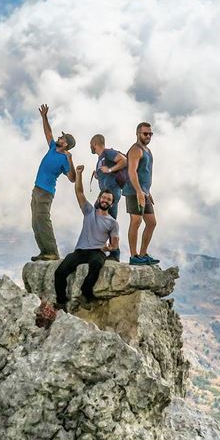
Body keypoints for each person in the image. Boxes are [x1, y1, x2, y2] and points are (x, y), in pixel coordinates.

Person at [54, 164, 120, 310]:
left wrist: (110, 248)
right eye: (103, 198)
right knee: (59, 273)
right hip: (81, 251)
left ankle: (86, 292)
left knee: (96, 264)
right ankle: (61, 301)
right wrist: (78, 174)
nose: (105, 201)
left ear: (112, 203)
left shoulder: (113, 223)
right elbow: (79, 192)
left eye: (108, 199)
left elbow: (115, 244)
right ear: (99, 198)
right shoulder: (89, 211)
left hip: (97, 251)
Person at [31, 103, 76, 261]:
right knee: (35, 221)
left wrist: (70, 161)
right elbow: (48, 132)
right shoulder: (52, 148)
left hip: (46, 192)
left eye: (62, 138)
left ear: (66, 144)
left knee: (43, 219)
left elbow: (72, 179)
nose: (59, 138)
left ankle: (52, 252)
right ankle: (44, 252)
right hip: (37, 189)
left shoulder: (65, 158)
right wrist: (44, 117)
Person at [123, 122, 159, 265]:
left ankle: (143, 254)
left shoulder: (148, 151)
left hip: (144, 192)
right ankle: (134, 256)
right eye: (145, 133)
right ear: (138, 134)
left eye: (150, 134)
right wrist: (138, 191)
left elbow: (145, 173)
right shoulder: (135, 150)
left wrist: (147, 192)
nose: (148, 136)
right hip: (134, 191)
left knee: (151, 223)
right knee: (136, 221)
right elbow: (132, 171)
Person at [90, 134, 127, 261]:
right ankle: (112, 253)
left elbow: (124, 160)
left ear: (94, 143)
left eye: (91, 144)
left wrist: (110, 170)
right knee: (106, 221)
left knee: (101, 219)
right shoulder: (101, 158)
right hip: (107, 193)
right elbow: (105, 174)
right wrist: (98, 174)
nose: (90, 147)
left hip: (112, 193)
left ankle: (109, 253)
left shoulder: (108, 153)